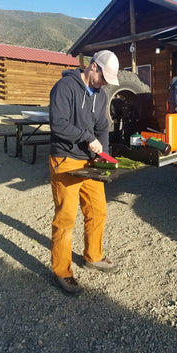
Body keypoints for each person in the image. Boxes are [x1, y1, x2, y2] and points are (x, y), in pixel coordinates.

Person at [49, 50, 120, 295]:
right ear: (93, 67)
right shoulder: (64, 87)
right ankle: (61, 271)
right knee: (66, 219)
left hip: (89, 163)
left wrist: (105, 158)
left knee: (98, 210)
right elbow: (58, 124)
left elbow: (102, 129)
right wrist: (87, 138)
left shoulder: (100, 96)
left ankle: (93, 256)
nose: (104, 84)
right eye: (103, 78)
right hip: (65, 159)